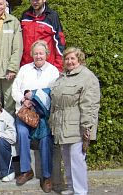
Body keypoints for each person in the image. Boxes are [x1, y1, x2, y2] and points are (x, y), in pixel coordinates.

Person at [50, 47, 101, 195]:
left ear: (79, 59)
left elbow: (89, 104)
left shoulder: (87, 77)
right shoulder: (63, 76)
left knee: (77, 160)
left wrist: (87, 126)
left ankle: (80, 191)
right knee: (66, 158)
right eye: (67, 59)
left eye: (73, 58)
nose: (69, 61)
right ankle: (72, 187)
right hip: (62, 126)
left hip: (78, 126)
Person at [12, 40, 60, 193]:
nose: (38, 56)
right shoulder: (24, 69)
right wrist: (24, 100)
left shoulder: (53, 71)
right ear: (32, 54)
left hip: (43, 115)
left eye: (41, 53)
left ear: (46, 54)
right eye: (35, 53)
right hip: (26, 113)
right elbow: (15, 89)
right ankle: (26, 170)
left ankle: (46, 176)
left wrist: (37, 97)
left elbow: (54, 92)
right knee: (22, 132)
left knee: (46, 138)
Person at [20, 0, 66, 72]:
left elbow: (60, 42)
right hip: (27, 64)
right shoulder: (25, 15)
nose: (35, 2)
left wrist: (59, 66)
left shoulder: (52, 16)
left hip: (47, 65)